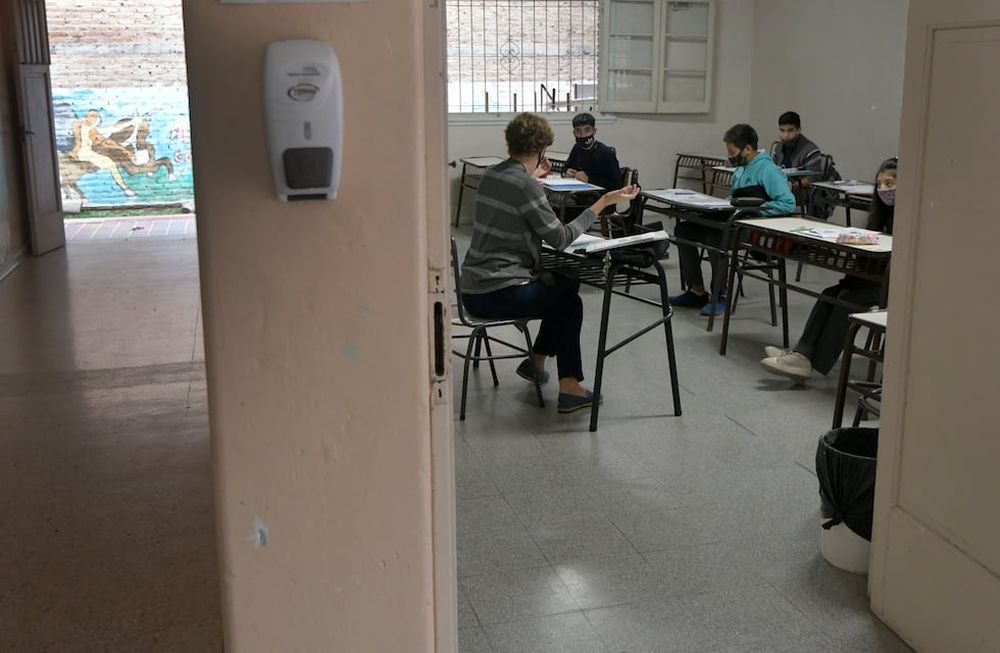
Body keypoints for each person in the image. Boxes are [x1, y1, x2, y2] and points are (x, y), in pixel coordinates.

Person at [460, 113, 638, 413]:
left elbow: (514, 208)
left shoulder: (492, 175)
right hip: (498, 293)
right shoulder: (526, 187)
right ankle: (569, 387)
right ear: (542, 150)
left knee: (563, 286)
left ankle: (537, 362)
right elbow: (561, 237)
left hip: (471, 290)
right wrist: (603, 202)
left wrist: (532, 180)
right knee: (570, 301)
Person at [760, 157, 898, 383]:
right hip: (873, 279)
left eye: (890, 184)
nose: (884, 189)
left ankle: (809, 363)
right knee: (830, 294)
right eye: (880, 184)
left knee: (846, 300)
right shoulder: (879, 215)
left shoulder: (910, 218)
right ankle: (801, 354)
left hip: (893, 287)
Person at [669, 123, 796, 316]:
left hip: (753, 228)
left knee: (715, 236)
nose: (730, 156)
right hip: (732, 222)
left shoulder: (768, 170)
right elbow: (737, 198)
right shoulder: (741, 169)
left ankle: (721, 295)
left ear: (747, 149)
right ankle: (696, 290)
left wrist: (756, 209)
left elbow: (788, 203)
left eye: (732, 151)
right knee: (684, 230)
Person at [769, 111, 840, 217]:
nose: (785, 135)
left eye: (790, 130)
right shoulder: (777, 148)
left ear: (798, 130)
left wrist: (793, 185)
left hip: (801, 191)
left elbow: (814, 178)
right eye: (782, 130)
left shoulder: (811, 149)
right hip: (780, 188)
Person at [564, 112, 622, 192]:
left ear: (594, 131)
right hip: (579, 195)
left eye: (587, 130)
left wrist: (589, 180)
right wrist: (567, 173)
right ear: (574, 133)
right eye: (578, 131)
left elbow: (618, 185)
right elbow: (566, 167)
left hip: (601, 199)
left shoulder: (605, 152)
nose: (583, 135)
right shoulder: (577, 148)